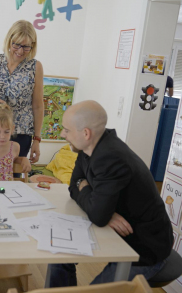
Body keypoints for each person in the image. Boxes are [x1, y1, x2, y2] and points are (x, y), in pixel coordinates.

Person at [47, 100, 173, 287]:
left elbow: (98, 215)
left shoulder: (110, 157)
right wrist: (102, 208)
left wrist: (101, 210)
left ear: (86, 133)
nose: (62, 134)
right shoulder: (88, 147)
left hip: (144, 246)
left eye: (66, 130)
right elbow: (73, 186)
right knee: (59, 256)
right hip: (114, 230)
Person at [0, 20, 44, 163]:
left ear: (33, 46)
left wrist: (37, 139)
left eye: (26, 47)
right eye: (16, 45)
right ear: (9, 41)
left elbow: (37, 106)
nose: (20, 51)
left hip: (20, 132)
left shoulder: (35, 67)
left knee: (14, 176)